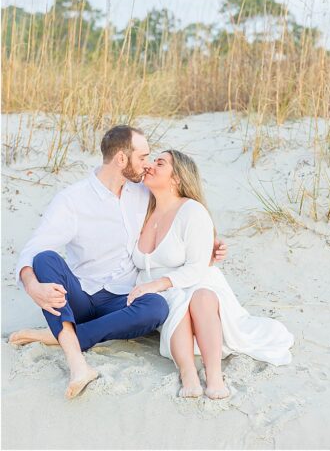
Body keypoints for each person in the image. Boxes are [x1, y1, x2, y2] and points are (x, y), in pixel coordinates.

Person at [9, 125, 225, 399]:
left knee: (157, 306)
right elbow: (34, 248)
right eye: (143, 157)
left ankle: (61, 334)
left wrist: (209, 245)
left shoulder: (143, 193)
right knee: (45, 259)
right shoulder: (72, 201)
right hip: (82, 298)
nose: (147, 165)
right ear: (122, 159)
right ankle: (78, 363)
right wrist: (32, 286)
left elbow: (179, 214)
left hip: (125, 299)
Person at [130, 149, 294, 399]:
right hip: (162, 289)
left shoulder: (192, 211)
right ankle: (188, 374)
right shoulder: (141, 208)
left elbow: (197, 268)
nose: (150, 166)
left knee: (201, 297)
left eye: (160, 163)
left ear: (177, 178)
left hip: (195, 279)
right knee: (177, 305)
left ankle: (214, 375)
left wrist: (157, 284)